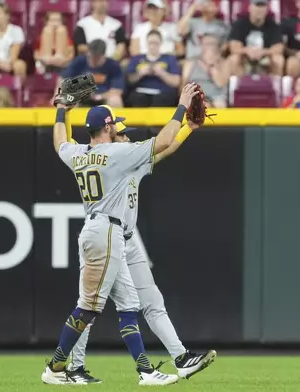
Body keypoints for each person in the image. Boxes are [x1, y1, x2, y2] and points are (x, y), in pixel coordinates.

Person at [41, 83, 200, 386]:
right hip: (106, 231)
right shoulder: (117, 153)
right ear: (109, 126)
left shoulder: (79, 153)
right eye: (113, 122)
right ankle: (57, 365)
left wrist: (62, 108)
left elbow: (60, 141)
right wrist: (181, 105)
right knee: (88, 308)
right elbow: (165, 140)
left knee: (128, 304)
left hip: (99, 227)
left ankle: (145, 370)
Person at [68, 120, 217, 384]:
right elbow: (160, 145)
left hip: (127, 240)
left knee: (152, 301)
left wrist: (188, 128)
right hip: (107, 238)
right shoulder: (113, 161)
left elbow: (166, 148)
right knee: (90, 307)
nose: (127, 138)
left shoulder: (131, 161)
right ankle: (74, 367)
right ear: (113, 138)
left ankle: (181, 358)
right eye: (123, 134)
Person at [60, 39, 124, 107]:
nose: (94, 60)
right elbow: (63, 80)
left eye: (97, 57)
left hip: (103, 96)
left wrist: (99, 96)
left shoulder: (113, 66)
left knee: (115, 100)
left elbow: (117, 91)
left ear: (104, 55)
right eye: (92, 56)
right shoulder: (79, 62)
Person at [227, 0, 285, 76]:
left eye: (263, 6)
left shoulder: (273, 25)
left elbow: (278, 48)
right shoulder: (240, 24)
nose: (259, 9)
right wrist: (247, 51)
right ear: (250, 8)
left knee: (278, 59)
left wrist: (263, 52)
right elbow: (234, 48)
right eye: (257, 6)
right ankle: (238, 85)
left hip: (265, 57)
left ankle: (274, 86)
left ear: (267, 9)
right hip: (245, 57)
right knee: (233, 59)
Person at [126, 30, 181, 107]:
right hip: (140, 92)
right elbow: (129, 80)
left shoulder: (170, 59)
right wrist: (140, 73)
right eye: (150, 43)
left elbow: (176, 82)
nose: (152, 46)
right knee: (137, 98)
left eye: (155, 43)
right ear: (146, 43)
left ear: (161, 43)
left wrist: (162, 73)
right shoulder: (137, 59)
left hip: (163, 93)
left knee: (161, 99)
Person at [182, 33, 229, 107]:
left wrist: (212, 65)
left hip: (217, 97)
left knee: (219, 104)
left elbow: (220, 83)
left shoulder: (224, 63)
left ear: (217, 46)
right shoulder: (191, 63)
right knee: (203, 106)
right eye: (204, 44)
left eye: (210, 44)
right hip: (196, 96)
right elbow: (183, 85)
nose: (206, 46)